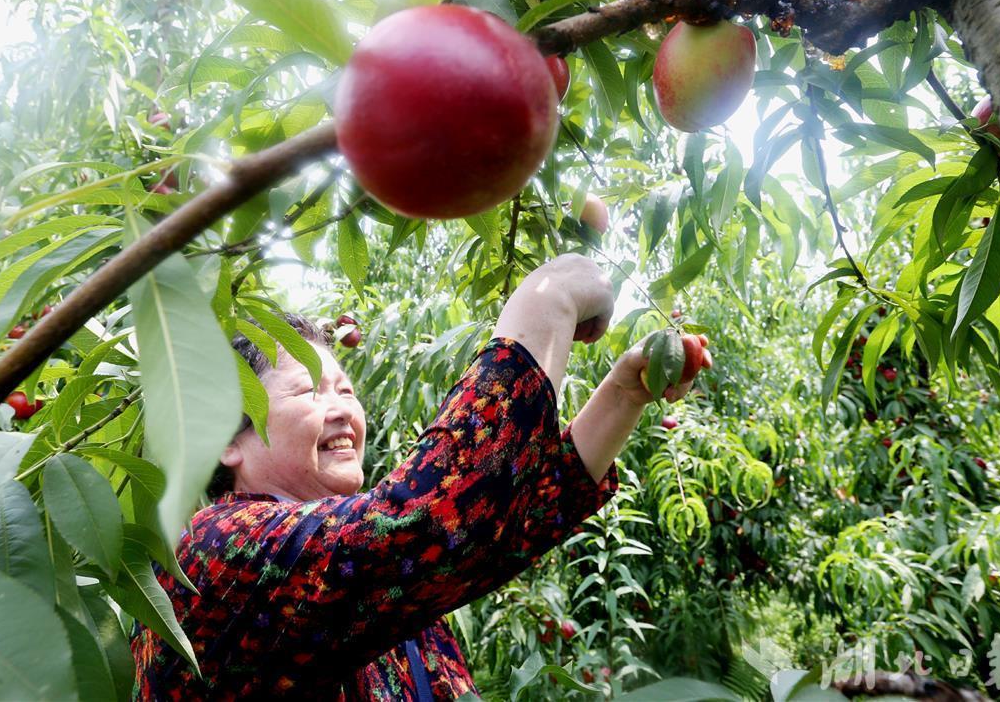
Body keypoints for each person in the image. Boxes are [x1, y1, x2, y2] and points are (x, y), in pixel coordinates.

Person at [131, 254, 703, 699]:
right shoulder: (208, 555)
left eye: (347, 391)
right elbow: (426, 520)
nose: (343, 409)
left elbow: (507, 518)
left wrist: (624, 397)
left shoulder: (362, 579)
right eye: (308, 390)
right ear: (224, 439)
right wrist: (544, 303)